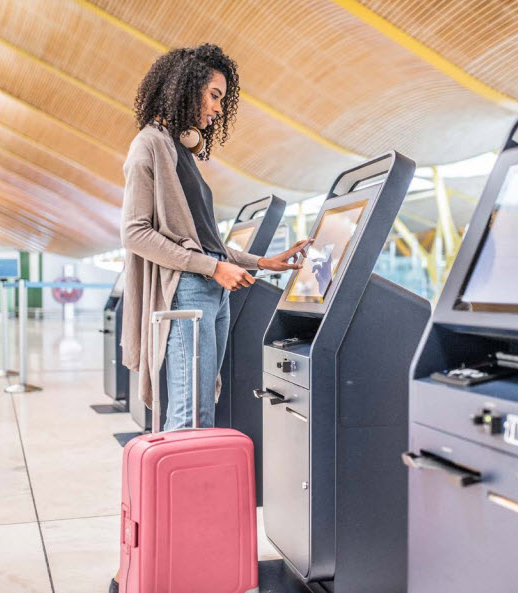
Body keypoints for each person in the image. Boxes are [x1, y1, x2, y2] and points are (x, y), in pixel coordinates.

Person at [110, 43, 309, 592]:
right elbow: (135, 232)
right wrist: (210, 269)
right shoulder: (149, 145)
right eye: (213, 94)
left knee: (200, 411)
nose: (217, 108)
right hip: (187, 296)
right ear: (185, 86)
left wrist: (261, 262)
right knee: (188, 420)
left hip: (208, 292)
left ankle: (192, 550)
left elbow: (210, 243)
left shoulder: (186, 156)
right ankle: (181, 561)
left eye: (224, 98)